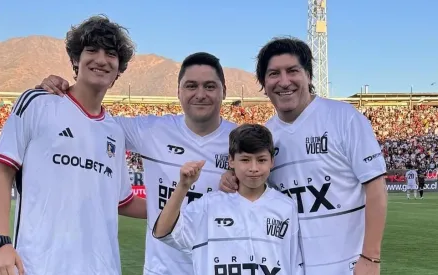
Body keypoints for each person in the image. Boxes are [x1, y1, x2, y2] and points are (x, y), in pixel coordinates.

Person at [36, 52, 238, 275]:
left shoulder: (241, 140)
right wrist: (63, 94)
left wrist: (239, 179)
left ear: (224, 91)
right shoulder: (151, 130)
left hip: (220, 268)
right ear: (178, 91)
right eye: (191, 86)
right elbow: (92, 122)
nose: (200, 94)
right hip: (161, 271)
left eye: (210, 86)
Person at [0, 15, 146, 275]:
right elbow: (2, 172)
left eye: (111, 54)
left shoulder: (114, 131)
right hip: (37, 265)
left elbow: (123, 202)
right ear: (75, 59)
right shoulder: (38, 103)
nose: (101, 59)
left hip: (103, 268)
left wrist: (182, 205)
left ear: (120, 68)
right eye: (91, 50)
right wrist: (0, 242)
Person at [220, 37, 388, 275]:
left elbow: (375, 186)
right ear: (264, 83)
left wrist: (371, 258)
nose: (284, 81)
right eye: (274, 74)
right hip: (290, 267)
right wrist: (232, 177)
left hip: (347, 266)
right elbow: (258, 193)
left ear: (308, 76)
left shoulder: (344, 118)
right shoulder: (267, 136)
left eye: (293, 71)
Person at [152, 124, 304, 275]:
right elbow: (163, 232)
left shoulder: (286, 207)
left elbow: (293, 265)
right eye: (245, 160)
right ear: (231, 161)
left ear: (272, 161)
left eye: (261, 160)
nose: (253, 168)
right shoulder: (209, 205)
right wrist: (183, 186)